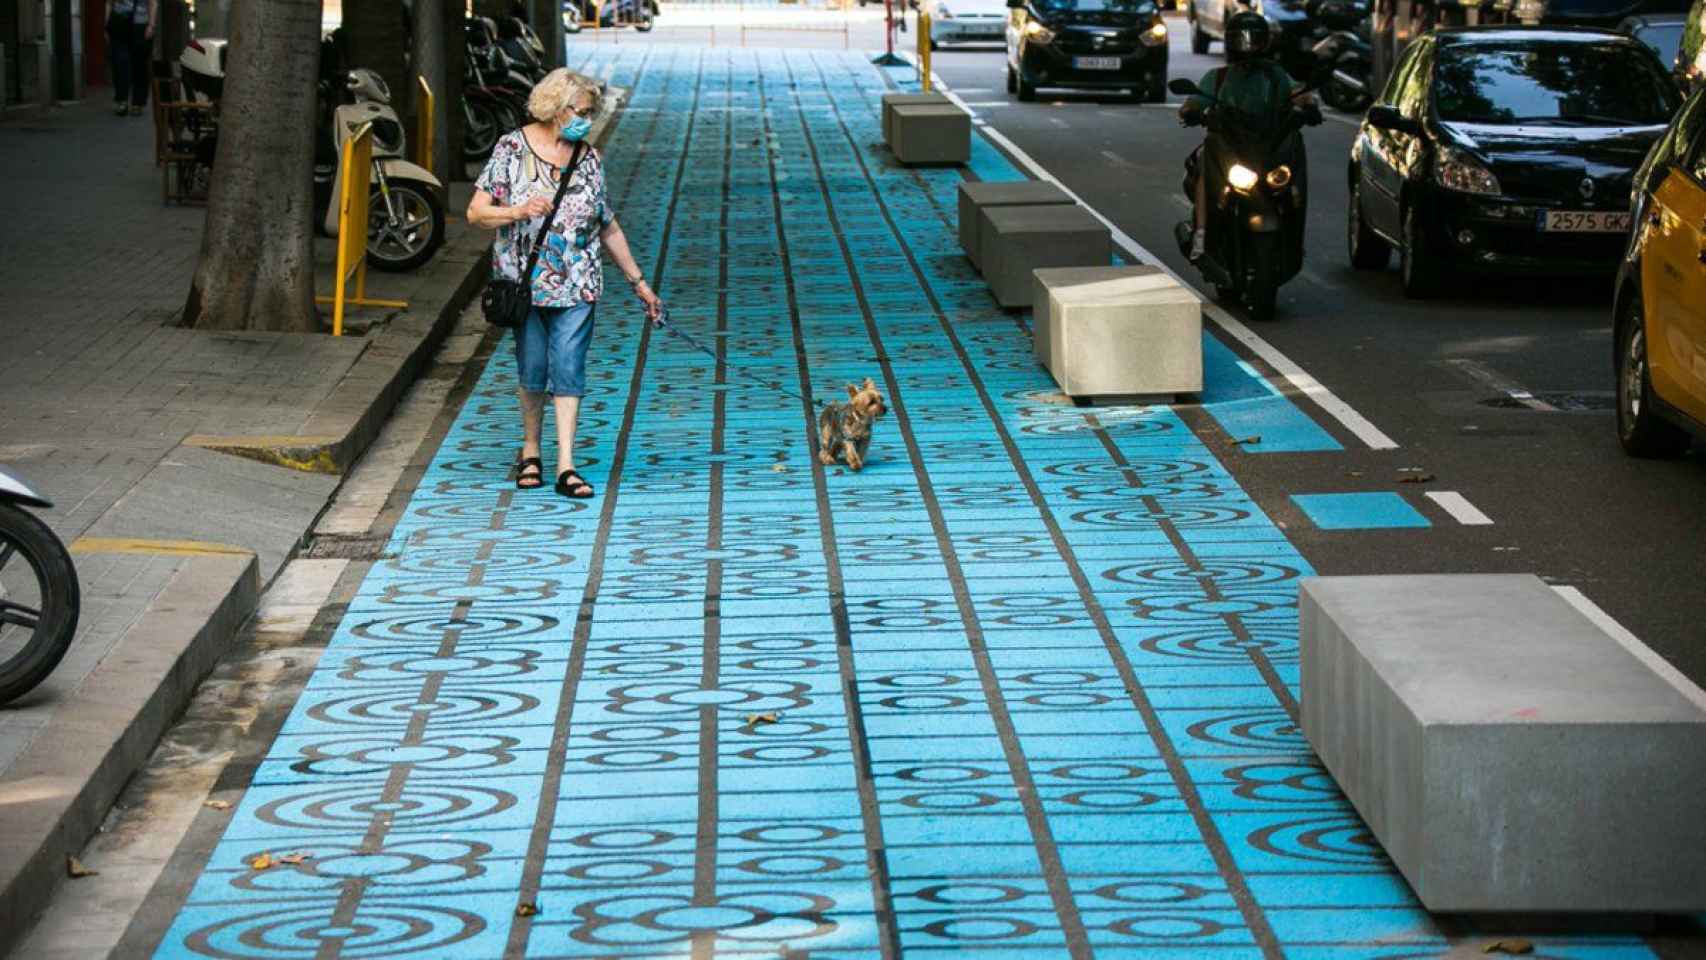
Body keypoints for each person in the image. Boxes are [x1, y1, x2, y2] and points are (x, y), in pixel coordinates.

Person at [467, 69, 662, 499]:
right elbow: (476, 212)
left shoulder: (589, 159)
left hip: (579, 284)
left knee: (569, 368)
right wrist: (515, 211)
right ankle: (531, 449)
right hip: (524, 283)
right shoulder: (511, 149)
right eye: (582, 111)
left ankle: (567, 464)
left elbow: (606, 225)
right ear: (556, 108)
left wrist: (639, 283)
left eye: (591, 113)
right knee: (533, 368)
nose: (587, 121)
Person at [1179, 10, 1314, 260]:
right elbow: (1191, 103)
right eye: (1242, 39)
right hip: (1228, 144)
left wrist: (1309, 105)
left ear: (1265, 42)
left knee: (1292, 180)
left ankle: (1293, 238)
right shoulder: (1218, 77)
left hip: (1267, 143)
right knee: (1205, 168)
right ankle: (1202, 233)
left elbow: (1299, 93)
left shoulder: (1275, 75)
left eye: (1254, 38)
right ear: (1230, 42)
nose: (1248, 45)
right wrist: (1191, 112)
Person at [106, 0, 157, 116]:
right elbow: (109, 3)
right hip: (119, 24)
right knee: (120, 63)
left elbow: (152, 2)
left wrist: (151, 25)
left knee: (139, 65)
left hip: (140, 26)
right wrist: (107, 26)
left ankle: (137, 103)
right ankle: (122, 101)